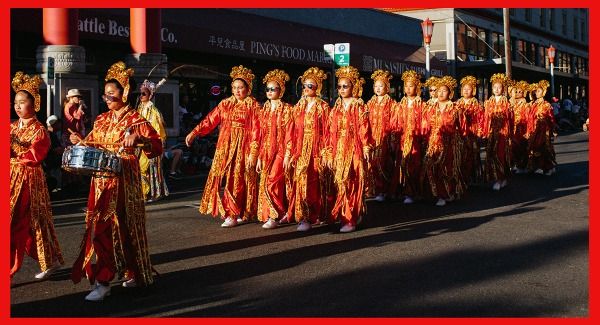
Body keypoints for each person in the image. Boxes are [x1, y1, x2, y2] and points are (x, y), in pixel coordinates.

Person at [69, 62, 163, 301]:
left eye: (112, 93)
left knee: (126, 227)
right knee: (99, 227)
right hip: (101, 179)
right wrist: (80, 142)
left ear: (124, 93)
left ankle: (130, 271)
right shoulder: (101, 120)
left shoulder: (135, 120)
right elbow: (93, 145)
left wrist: (139, 139)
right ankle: (104, 280)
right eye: (105, 93)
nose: (108, 97)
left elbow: (157, 146)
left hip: (125, 178)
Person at [185, 65, 261, 227]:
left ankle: (238, 212)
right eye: (234, 87)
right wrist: (194, 132)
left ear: (248, 88)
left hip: (243, 147)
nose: (237, 91)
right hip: (225, 146)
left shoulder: (253, 106)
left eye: (240, 88)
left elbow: (257, 130)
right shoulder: (225, 104)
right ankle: (231, 212)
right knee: (225, 178)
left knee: (239, 179)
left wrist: (254, 152)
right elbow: (210, 120)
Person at [10, 72, 64, 280]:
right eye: (15, 102)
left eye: (22, 102)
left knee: (33, 221)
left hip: (29, 180)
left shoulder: (40, 130)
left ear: (34, 104)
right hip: (9, 177)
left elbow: (35, 155)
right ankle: (47, 261)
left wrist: (13, 148)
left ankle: (42, 262)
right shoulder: (11, 126)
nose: (17, 106)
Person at [283, 67, 330, 231]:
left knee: (316, 182)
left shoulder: (323, 107)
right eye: (304, 85)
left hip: (316, 149)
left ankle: (318, 214)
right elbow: (291, 131)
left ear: (318, 88)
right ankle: (304, 217)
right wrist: (289, 153)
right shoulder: (297, 108)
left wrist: (326, 152)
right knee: (302, 181)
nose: (307, 89)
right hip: (301, 149)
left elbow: (328, 132)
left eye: (311, 85)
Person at [326, 66, 372, 233]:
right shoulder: (336, 107)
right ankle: (350, 213)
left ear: (353, 87)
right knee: (340, 183)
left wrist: (366, 147)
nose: (342, 89)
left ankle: (350, 219)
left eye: (345, 86)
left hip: (354, 148)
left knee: (351, 182)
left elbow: (363, 128)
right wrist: (329, 151)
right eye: (339, 86)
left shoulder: (359, 106)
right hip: (339, 148)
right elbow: (330, 131)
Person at [256, 69, 293, 229]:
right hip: (266, 152)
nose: (270, 92)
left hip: (281, 152)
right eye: (268, 89)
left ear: (281, 91)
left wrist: (288, 154)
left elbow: (291, 134)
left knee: (273, 182)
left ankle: (274, 215)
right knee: (266, 182)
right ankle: (278, 212)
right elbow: (259, 135)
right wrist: (257, 156)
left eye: (274, 89)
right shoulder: (263, 110)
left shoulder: (288, 110)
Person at [422, 76, 464, 206]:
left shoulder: (455, 108)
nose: (440, 93)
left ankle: (447, 193)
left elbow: (462, 127)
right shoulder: (430, 108)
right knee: (431, 166)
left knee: (446, 168)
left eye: (444, 91)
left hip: (449, 143)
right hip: (433, 141)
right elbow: (425, 125)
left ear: (450, 93)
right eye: (438, 90)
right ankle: (438, 193)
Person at [392, 70, 425, 204]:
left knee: (414, 164)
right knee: (401, 164)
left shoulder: (422, 105)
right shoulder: (400, 105)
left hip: (416, 140)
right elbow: (396, 123)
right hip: (402, 139)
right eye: (406, 86)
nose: (408, 88)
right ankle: (403, 190)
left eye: (411, 85)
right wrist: (394, 138)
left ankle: (412, 192)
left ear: (417, 87)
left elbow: (425, 123)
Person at [365, 69, 396, 202]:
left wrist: (392, 138)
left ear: (387, 87)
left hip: (385, 137)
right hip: (371, 137)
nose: (378, 89)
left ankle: (383, 190)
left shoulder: (392, 104)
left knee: (382, 162)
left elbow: (394, 122)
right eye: (376, 86)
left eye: (381, 86)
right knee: (370, 163)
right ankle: (372, 188)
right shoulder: (369, 103)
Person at [137, 79, 169, 202]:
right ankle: (144, 192)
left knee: (149, 168)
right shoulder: (138, 109)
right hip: (140, 144)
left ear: (150, 95)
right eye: (140, 93)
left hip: (150, 143)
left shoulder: (154, 111)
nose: (141, 96)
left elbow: (158, 130)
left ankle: (152, 193)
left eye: (144, 94)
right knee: (141, 168)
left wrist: (155, 144)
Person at [481, 73, 513, 191]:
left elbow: (510, 119)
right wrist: (485, 131)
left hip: (503, 133)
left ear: (503, 89)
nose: (497, 89)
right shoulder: (488, 102)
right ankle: (496, 177)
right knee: (491, 155)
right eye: (494, 87)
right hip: (492, 133)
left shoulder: (506, 102)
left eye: (499, 87)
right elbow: (485, 118)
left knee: (501, 155)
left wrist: (509, 133)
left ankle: (500, 178)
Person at [455, 76, 484, 185]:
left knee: (471, 154)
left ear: (474, 90)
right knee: (460, 154)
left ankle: (471, 176)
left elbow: (481, 119)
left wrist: (480, 133)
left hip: (472, 132)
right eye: (464, 89)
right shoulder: (458, 103)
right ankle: (461, 176)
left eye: (469, 89)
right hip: (461, 133)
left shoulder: (476, 103)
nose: (466, 91)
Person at [527, 80, 557, 175]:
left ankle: (548, 167)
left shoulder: (546, 104)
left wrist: (553, 129)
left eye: (539, 91)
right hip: (535, 129)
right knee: (535, 148)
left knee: (544, 148)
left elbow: (551, 118)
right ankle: (542, 166)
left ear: (543, 92)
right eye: (536, 91)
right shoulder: (534, 104)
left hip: (544, 130)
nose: (537, 93)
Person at [510, 80, 532, 174]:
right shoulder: (512, 103)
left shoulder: (526, 105)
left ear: (524, 93)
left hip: (522, 129)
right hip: (513, 128)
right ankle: (515, 164)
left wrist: (528, 131)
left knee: (522, 147)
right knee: (512, 147)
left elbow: (528, 119)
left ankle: (522, 166)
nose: (518, 93)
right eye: (517, 91)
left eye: (520, 92)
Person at [44, 115, 65, 192]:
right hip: (50, 161)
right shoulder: (49, 134)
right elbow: (55, 149)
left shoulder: (52, 134)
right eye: (58, 123)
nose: (60, 125)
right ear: (54, 124)